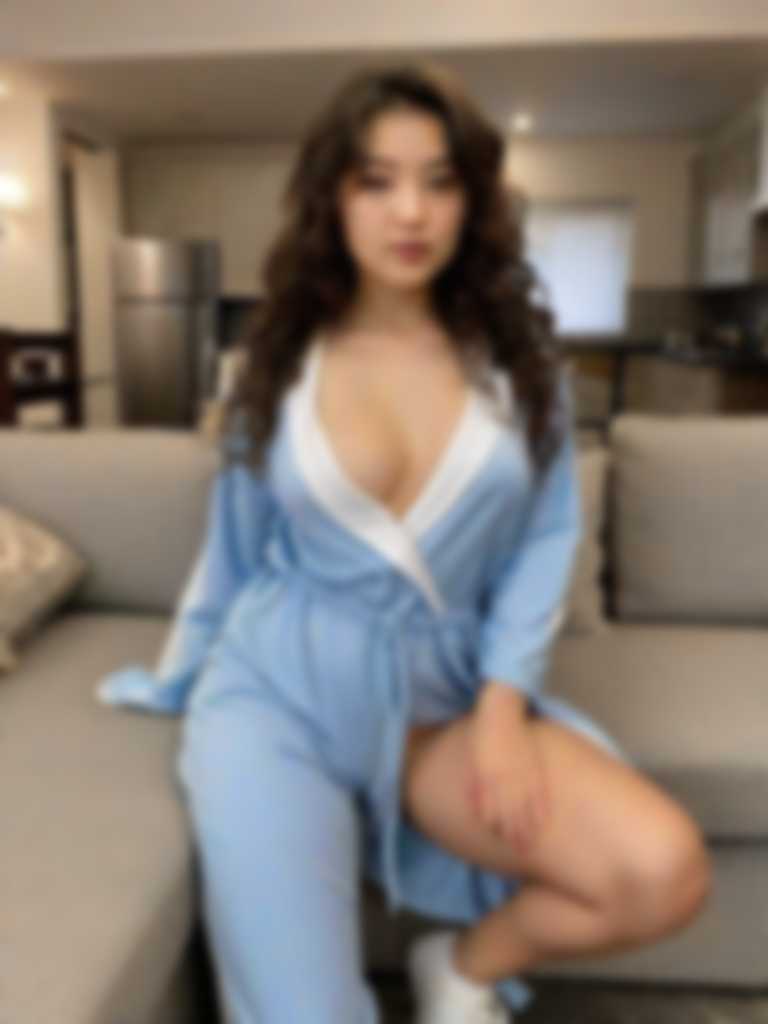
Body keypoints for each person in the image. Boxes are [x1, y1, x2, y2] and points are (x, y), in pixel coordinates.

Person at [95, 62, 712, 1024]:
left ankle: (460, 968)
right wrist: (179, 676)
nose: (411, 212)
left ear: (473, 201)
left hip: (442, 706)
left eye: (440, 181)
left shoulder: (524, 371)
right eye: (376, 181)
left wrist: (502, 708)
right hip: (277, 697)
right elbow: (236, 551)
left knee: (661, 872)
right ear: (333, 201)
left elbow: (545, 541)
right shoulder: (277, 367)